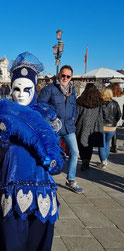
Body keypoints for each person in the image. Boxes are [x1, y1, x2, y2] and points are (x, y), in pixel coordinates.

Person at [0, 52, 65, 251]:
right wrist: (3, 138)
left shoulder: (46, 116)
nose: (20, 94)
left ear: (35, 87)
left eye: (27, 89)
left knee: (36, 241)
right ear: (10, 88)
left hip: (42, 191)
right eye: (16, 89)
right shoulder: (1, 115)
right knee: (10, 241)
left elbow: (57, 153)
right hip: (10, 188)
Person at [38, 65, 83, 194]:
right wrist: (50, 119)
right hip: (54, 129)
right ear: (59, 75)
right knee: (49, 153)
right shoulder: (50, 89)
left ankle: (71, 179)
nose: (65, 78)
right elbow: (41, 106)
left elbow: (74, 105)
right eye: (63, 75)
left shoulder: (72, 90)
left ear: (71, 77)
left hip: (69, 127)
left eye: (68, 76)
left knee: (74, 152)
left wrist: (74, 116)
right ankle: (45, 178)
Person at [75, 83, 104, 171]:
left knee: (81, 143)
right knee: (89, 145)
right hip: (94, 125)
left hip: (82, 124)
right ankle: (87, 160)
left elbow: (77, 114)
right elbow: (102, 114)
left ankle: (84, 159)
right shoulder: (99, 101)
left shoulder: (80, 100)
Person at [98, 87, 121, 169]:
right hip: (112, 127)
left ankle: (103, 161)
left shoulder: (100, 103)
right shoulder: (115, 103)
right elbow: (119, 115)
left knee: (101, 145)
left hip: (102, 127)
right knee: (107, 144)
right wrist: (114, 122)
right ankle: (105, 160)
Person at [110, 83, 124, 152]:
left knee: (114, 131)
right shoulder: (122, 96)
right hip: (121, 115)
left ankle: (114, 145)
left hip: (113, 115)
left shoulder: (112, 97)